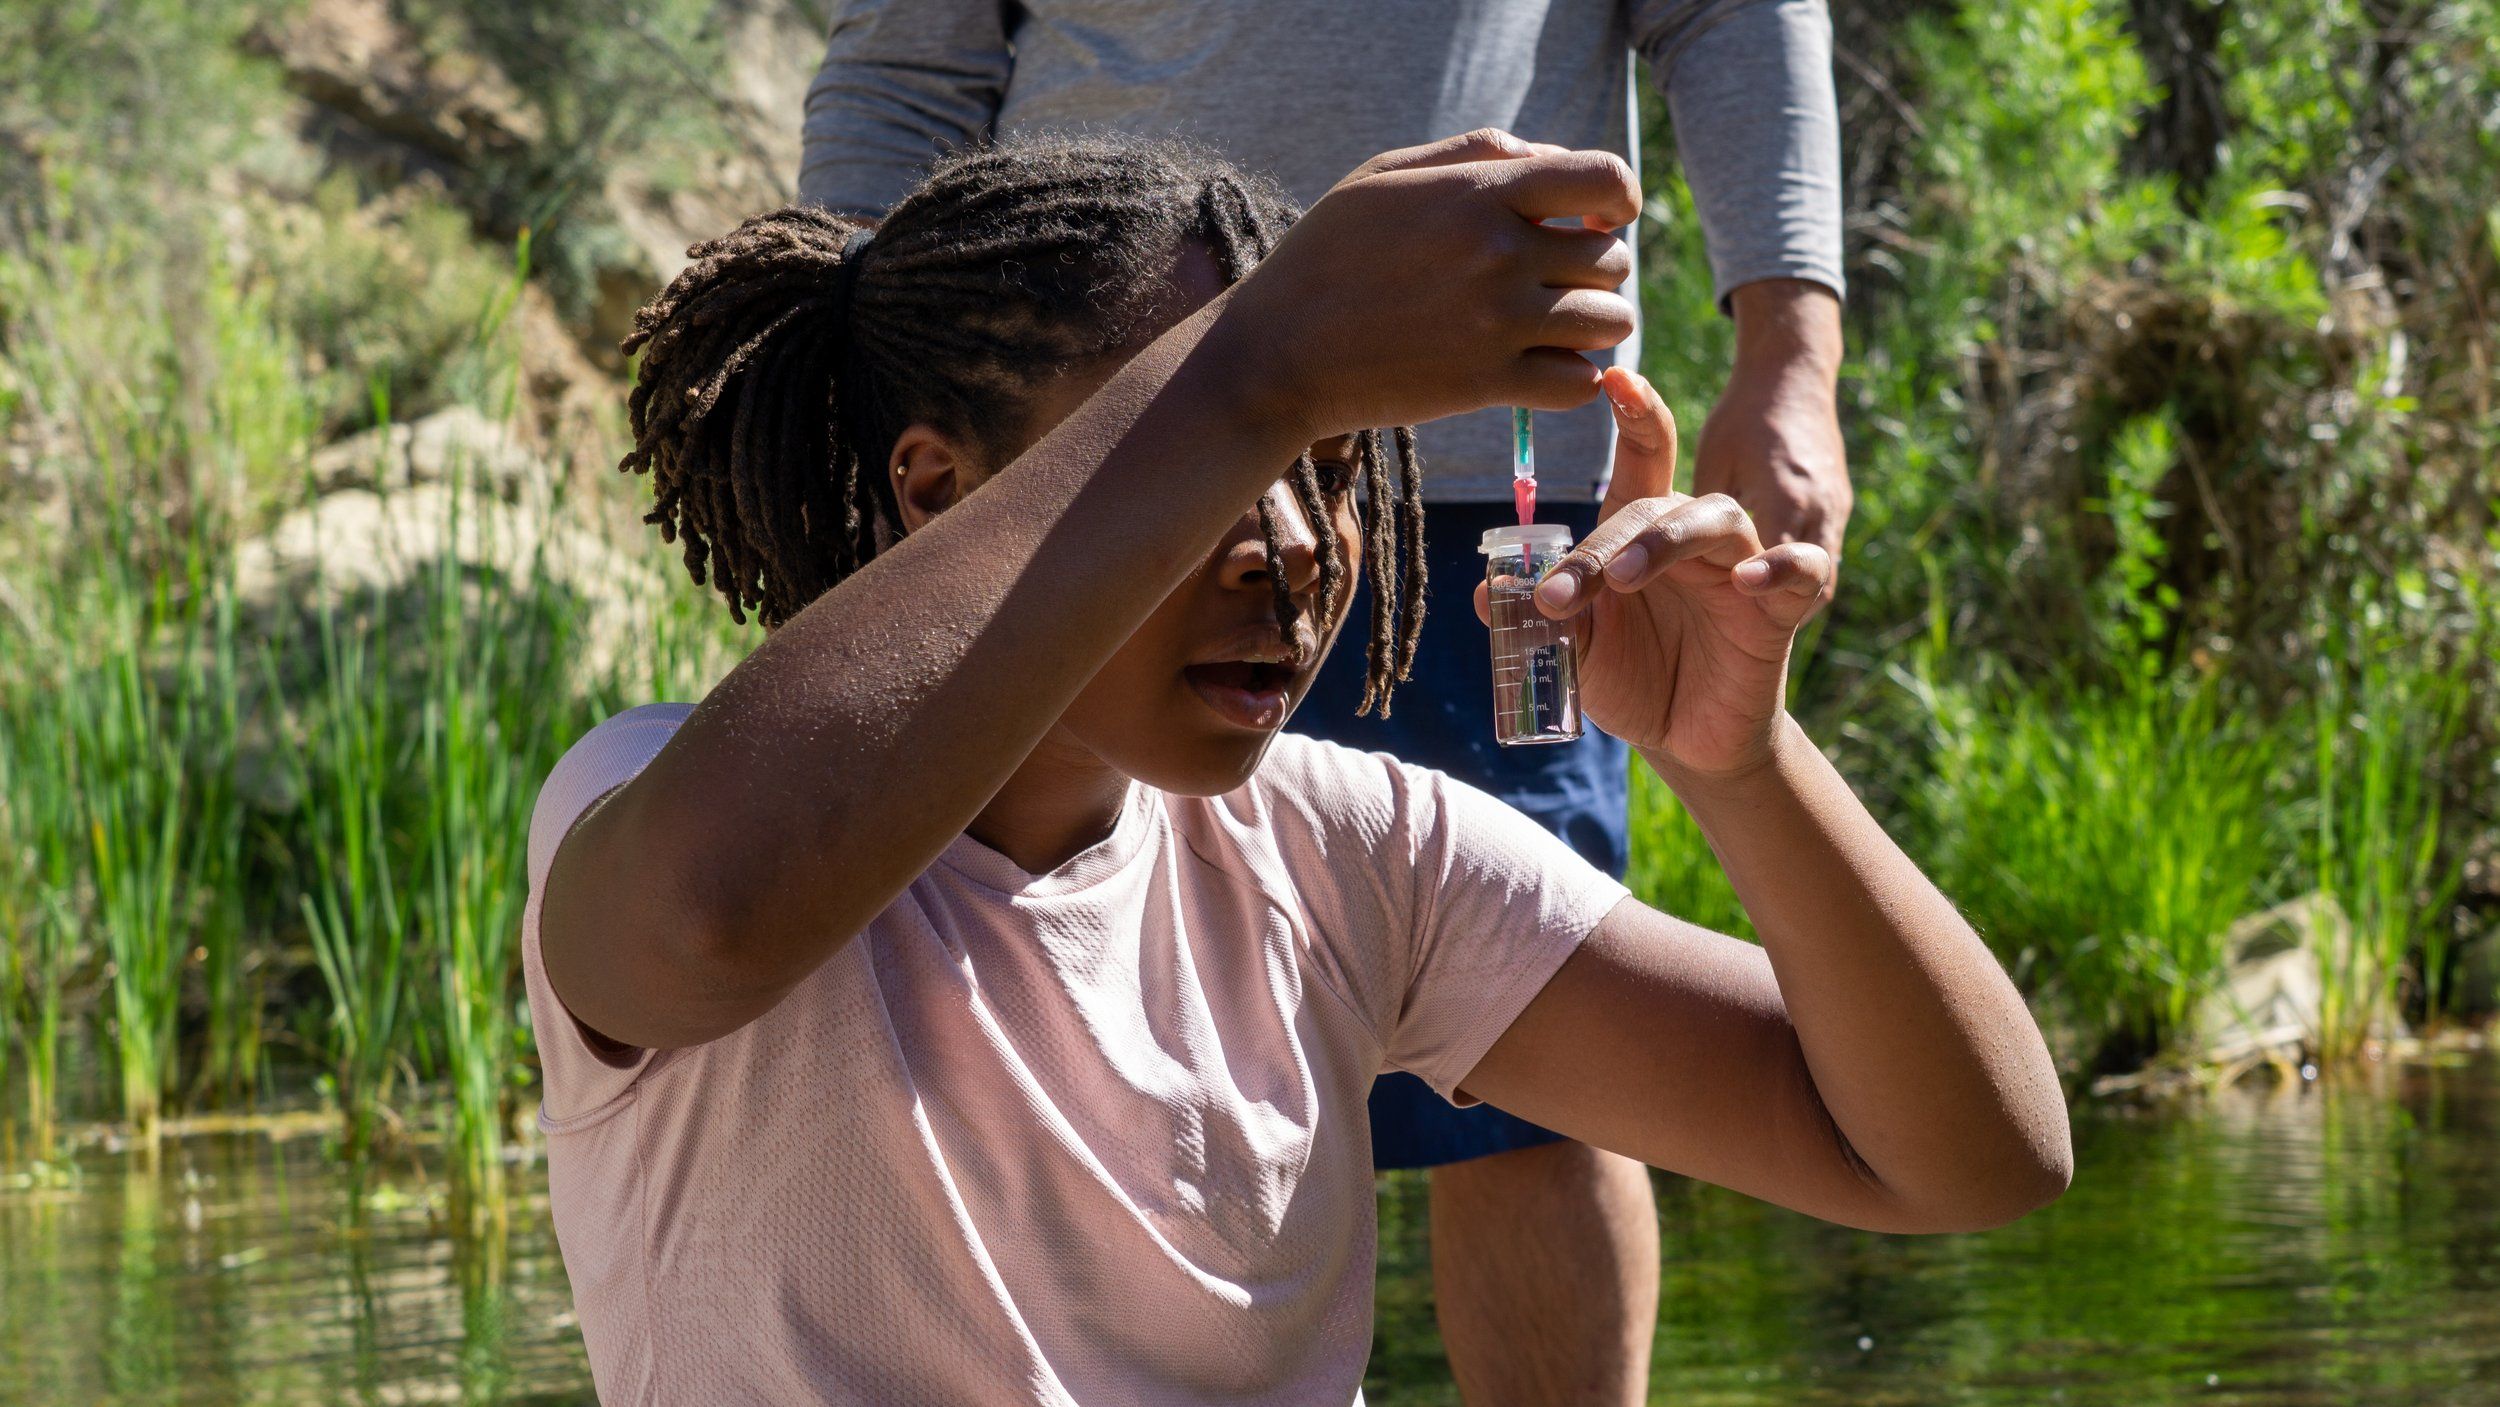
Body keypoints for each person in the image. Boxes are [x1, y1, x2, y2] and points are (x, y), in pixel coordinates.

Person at [525, 130, 2064, 1404]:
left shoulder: (1351, 852)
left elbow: (1967, 1158)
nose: (1303, 546)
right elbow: (709, 923)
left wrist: (1742, 763)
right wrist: (1261, 363)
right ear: (939, 492)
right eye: (1208, 458)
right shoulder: (653, 796)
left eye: (1328, 468)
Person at [797, 7, 1846, 1395]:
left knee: (1533, 1091)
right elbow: (906, 69)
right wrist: (837, 455)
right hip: (1080, 489)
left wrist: (1789, 356)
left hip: (1490, 481)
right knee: (1076, 1034)